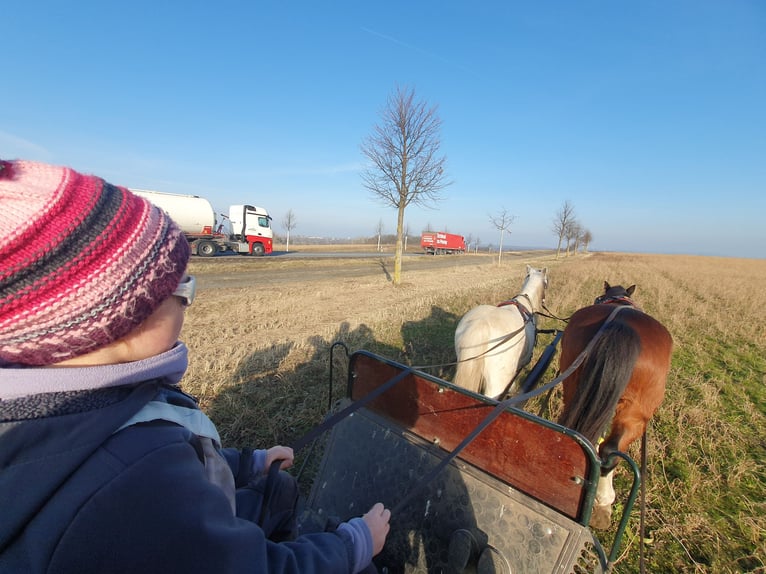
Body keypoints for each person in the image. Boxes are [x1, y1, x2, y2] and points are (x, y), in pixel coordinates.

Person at [0, 158, 391, 573]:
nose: (189, 300)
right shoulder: (138, 475)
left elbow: (185, 449)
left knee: (278, 489)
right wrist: (354, 544)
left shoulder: (78, 402)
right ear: (125, 316)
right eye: (183, 286)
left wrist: (250, 462)